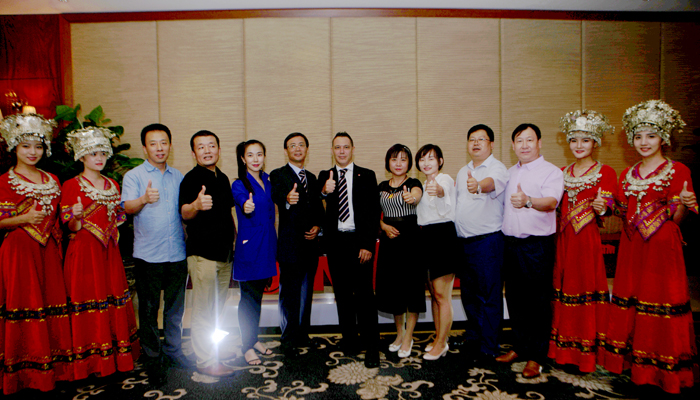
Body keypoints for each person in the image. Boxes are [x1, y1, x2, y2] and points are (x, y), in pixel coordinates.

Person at [602, 100, 697, 394]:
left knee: (661, 303)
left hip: (662, 248)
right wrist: (604, 206)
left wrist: (685, 204)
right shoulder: (626, 175)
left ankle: (665, 371)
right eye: (638, 136)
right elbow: (620, 211)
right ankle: (637, 369)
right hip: (633, 248)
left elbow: (677, 218)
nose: (644, 142)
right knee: (633, 301)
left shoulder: (677, 170)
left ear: (663, 138)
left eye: (651, 136)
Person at [0, 114, 72, 394]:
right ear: (14, 147)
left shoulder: (52, 179)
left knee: (51, 302)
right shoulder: (5, 181)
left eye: (38, 146)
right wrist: (23, 219)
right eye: (26, 146)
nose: (33, 152)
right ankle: (24, 373)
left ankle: (56, 369)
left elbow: (61, 216)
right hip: (19, 251)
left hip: (49, 250)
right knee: (24, 304)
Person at [61, 126, 140, 379]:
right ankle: (91, 362)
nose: (99, 158)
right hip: (85, 253)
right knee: (89, 299)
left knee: (111, 297)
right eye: (93, 153)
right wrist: (76, 217)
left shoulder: (112, 184)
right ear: (81, 156)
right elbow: (71, 227)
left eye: (103, 153)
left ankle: (115, 357)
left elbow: (117, 219)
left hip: (109, 252)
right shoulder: (71, 185)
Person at [548, 111, 616, 373]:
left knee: (584, 288)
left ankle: (586, 352)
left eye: (585, 140)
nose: (579, 145)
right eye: (574, 140)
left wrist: (602, 207)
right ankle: (563, 348)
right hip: (563, 239)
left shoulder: (605, 172)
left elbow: (608, 205)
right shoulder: (561, 173)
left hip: (586, 241)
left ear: (595, 142)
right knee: (563, 287)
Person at [121, 123, 190, 381]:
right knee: (149, 309)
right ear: (144, 148)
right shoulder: (134, 175)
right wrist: (143, 199)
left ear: (170, 145)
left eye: (163, 142)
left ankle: (173, 351)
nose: (159, 148)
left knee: (175, 308)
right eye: (153, 143)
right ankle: (151, 356)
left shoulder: (178, 176)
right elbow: (126, 207)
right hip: (148, 254)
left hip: (177, 252)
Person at [498, 123, 564, 379]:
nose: (524, 145)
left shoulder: (551, 172)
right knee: (515, 299)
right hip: (510, 244)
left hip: (537, 246)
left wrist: (528, 201)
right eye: (519, 140)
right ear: (512, 145)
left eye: (529, 140)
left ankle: (537, 356)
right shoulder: (509, 173)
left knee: (538, 301)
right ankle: (520, 346)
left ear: (539, 143)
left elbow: (551, 202)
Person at [318, 132, 381, 368]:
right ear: (332, 150)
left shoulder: (367, 175)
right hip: (336, 244)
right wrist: (324, 190)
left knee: (365, 297)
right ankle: (350, 341)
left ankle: (372, 347)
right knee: (342, 295)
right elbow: (315, 200)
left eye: (346, 147)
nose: (342, 151)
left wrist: (368, 244)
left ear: (353, 149)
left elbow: (373, 212)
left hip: (359, 242)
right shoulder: (325, 176)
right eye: (337, 147)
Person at [179, 130, 236, 377]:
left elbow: (227, 214)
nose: (207, 150)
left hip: (224, 254)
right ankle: (205, 360)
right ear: (194, 153)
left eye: (211, 145)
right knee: (203, 310)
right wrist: (196, 205)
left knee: (216, 309)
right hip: (203, 255)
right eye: (201, 147)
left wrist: (234, 242)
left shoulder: (222, 178)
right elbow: (184, 212)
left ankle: (214, 351)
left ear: (219, 150)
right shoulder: (191, 179)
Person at [454, 124, 509, 362]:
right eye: (472, 139)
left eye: (481, 139)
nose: (476, 143)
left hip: (488, 242)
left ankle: (489, 347)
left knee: (489, 296)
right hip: (464, 243)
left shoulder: (498, 168)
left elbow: (491, 184)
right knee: (469, 295)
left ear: (491, 144)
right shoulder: (462, 171)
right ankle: (475, 338)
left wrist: (478, 185)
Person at [270, 133, 324, 359]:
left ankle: (302, 334)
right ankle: (288, 339)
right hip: (290, 246)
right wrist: (286, 199)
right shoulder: (278, 174)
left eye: (301, 145)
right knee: (289, 294)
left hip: (310, 245)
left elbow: (318, 208)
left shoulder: (312, 177)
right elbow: (276, 195)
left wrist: (318, 226)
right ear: (286, 151)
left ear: (307, 149)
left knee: (306, 293)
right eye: (292, 145)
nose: (297, 148)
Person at [231, 140, 277, 366]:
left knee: (258, 297)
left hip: (267, 245)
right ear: (243, 159)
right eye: (250, 155)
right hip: (250, 247)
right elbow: (242, 201)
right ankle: (246, 346)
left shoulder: (268, 179)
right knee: (248, 299)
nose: (255, 159)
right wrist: (245, 205)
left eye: (259, 154)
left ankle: (254, 339)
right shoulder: (239, 183)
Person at [376, 144, 424, 359]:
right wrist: (383, 226)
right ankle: (399, 334)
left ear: (409, 164)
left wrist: (412, 198)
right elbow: (373, 214)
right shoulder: (381, 186)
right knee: (394, 289)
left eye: (403, 159)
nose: (398, 163)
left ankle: (408, 337)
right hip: (389, 240)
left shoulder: (413, 183)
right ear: (388, 162)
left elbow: (416, 196)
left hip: (410, 240)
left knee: (411, 289)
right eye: (394, 159)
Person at [415, 144, 457, 361]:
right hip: (426, 237)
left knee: (443, 295)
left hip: (443, 237)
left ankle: (442, 343)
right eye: (422, 159)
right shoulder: (421, 185)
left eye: (431, 158)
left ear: (440, 161)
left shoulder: (445, 179)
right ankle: (438, 337)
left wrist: (438, 190)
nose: (426, 163)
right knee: (434, 294)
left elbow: (443, 192)